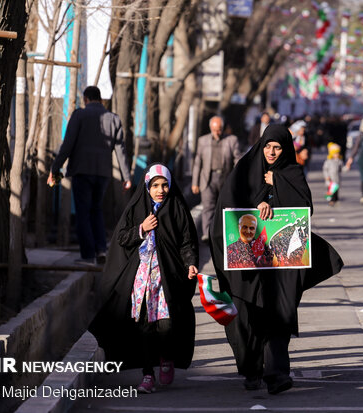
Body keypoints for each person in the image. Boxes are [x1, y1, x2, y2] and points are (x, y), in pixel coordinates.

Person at [209, 125, 343, 395]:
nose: (271, 152)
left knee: (281, 311)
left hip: (282, 263)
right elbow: (228, 207)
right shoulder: (246, 169)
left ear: (285, 149)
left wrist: (277, 184)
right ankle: (252, 369)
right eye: (268, 146)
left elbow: (305, 208)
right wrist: (258, 204)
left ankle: (277, 373)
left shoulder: (291, 172)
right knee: (249, 314)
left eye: (278, 147)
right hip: (249, 261)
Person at [89, 164, 199, 394]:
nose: (160, 190)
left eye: (165, 185)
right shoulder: (136, 207)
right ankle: (147, 374)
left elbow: (187, 241)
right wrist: (142, 228)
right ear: (147, 186)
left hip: (167, 277)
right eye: (155, 185)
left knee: (167, 324)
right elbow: (122, 237)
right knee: (144, 326)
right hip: (142, 278)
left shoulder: (177, 207)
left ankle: (166, 357)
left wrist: (190, 264)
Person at [48, 86, 132, 265]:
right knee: (96, 210)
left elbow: (68, 144)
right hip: (102, 173)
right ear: (100, 99)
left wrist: (55, 168)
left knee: (83, 213)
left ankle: (88, 255)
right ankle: (101, 249)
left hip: (82, 171)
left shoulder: (79, 115)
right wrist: (126, 177)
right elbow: (121, 150)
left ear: (86, 98)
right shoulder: (113, 119)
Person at [192, 116, 242, 242]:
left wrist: (237, 178)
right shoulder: (202, 141)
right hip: (207, 178)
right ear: (210, 128)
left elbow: (237, 159)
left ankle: (224, 233)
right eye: (214, 130)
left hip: (225, 177)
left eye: (219, 129)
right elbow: (198, 162)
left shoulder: (231, 140)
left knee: (226, 207)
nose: (217, 132)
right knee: (208, 206)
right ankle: (207, 234)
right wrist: (195, 182)